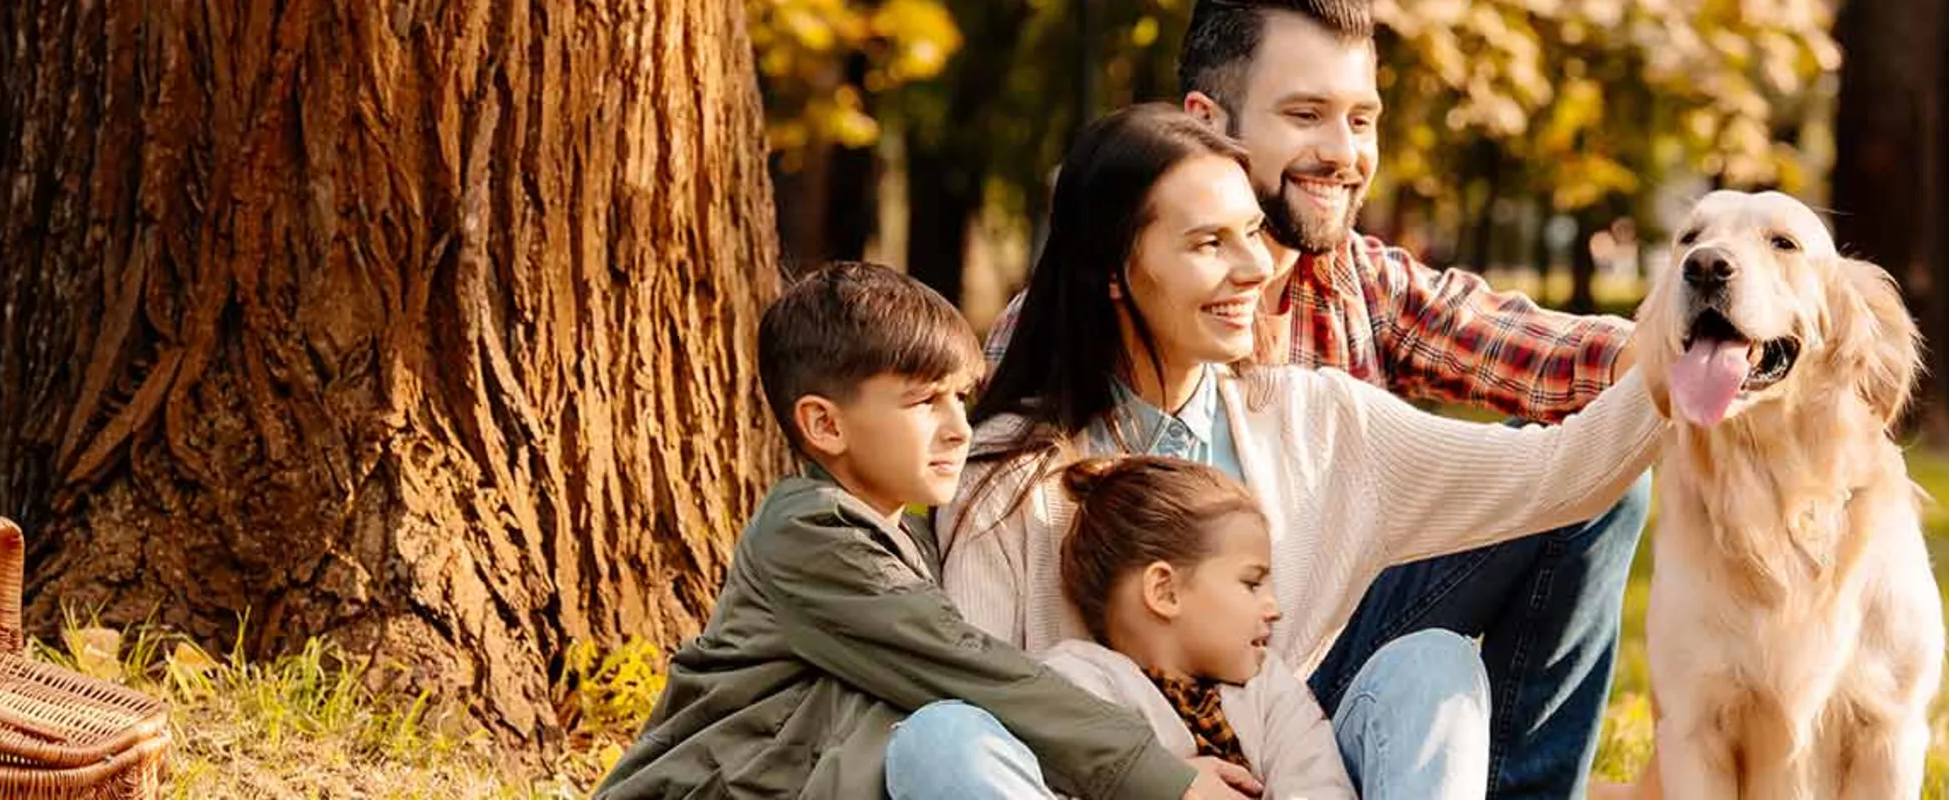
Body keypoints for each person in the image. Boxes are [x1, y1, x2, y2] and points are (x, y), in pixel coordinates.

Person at [987, 3, 1656, 795]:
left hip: (1314, 651)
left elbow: (1546, 355)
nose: (1344, 153)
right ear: (1209, 123)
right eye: (1306, 114)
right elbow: (1005, 594)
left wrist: (1703, 349)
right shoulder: (1068, 333)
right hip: (1141, 700)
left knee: (1595, 496)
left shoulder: (1356, 284)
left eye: (1362, 119)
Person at [596, 264, 1253, 800]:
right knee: (952, 732)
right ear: (825, 425)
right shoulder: (812, 533)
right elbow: (971, 666)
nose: (958, 428)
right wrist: (1165, 779)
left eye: (959, 399)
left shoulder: (910, 539)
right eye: (922, 402)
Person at [1039, 455, 1355, 799]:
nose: (1274, 609)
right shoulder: (1077, 686)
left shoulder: (1272, 692)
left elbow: (1321, 787)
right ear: (1165, 591)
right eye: (1251, 583)